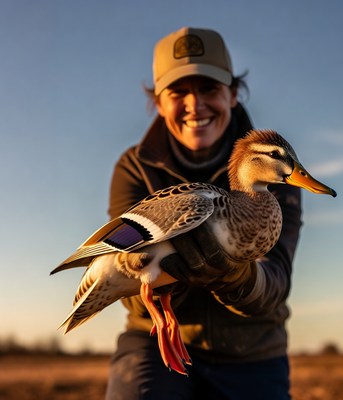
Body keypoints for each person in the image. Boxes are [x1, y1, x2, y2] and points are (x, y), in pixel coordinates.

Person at [105, 26, 302, 400]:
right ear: (158, 102)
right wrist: (165, 276)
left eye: (209, 88)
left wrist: (234, 277)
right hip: (153, 338)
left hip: (252, 348)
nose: (195, 104)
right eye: (178, 92)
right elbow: (125, 274)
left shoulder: (273, 164)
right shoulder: (134, 168)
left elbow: (275, 279)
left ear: (232, 94)